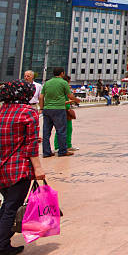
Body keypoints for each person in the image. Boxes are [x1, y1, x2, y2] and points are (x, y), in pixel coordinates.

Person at [0, 80, 46, 255]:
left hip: (2, 167)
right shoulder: (28, 113)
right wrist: (38, 169)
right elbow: (31, 145)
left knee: (7, 204)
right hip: (18, 168)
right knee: (12, 207)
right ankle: (2, 245)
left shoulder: (2, 111)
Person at [39, 67, 80, 158]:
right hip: (59, 109)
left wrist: (41, 108)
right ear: (62, 73)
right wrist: (77, 100)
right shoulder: (63, 82)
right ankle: (62, 151)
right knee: (61, 130)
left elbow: (41, 97)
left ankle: (46, 152)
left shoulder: (47, 83)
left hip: (47, 109)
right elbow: (69, 95)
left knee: (46, 132)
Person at [54, 75, 77, 152]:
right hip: (63, 110)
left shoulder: (62, 89)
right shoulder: (62, 89)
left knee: (68, 129)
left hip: (64, 110)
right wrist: (71, 101)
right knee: (61, 129)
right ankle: (58, 146)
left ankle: (67, 145)